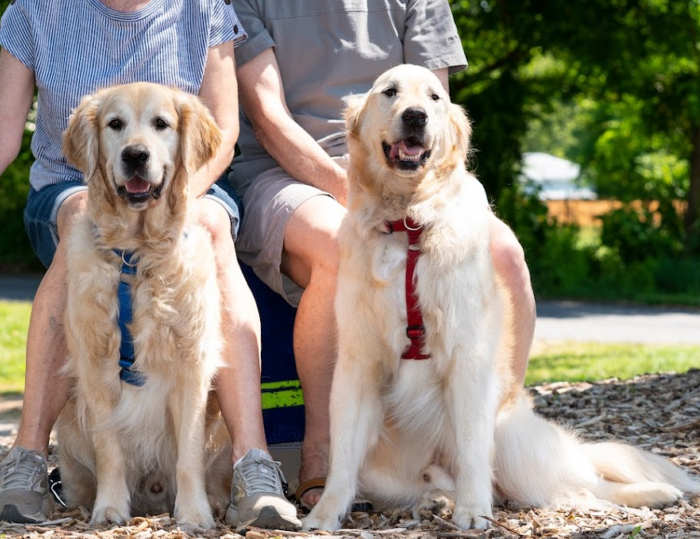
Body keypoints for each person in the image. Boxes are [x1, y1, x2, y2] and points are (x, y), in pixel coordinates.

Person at [0, 0, 300, 530]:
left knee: (208, 228)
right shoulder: (36, 10)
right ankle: (26, 458)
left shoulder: (204, 9)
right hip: (75, 187)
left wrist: (178, 198)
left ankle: (252, 462)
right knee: (80, 224)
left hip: (189, 186)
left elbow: (223, 132)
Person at [230, 0, 537, 509]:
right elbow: (267, 116)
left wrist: (410, 196)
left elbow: (430, 112)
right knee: (339, 246)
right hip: (285, 173)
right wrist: (359, 198)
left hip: (403, 174)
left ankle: (489, 445)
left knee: (504, 253)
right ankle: (322, 462)